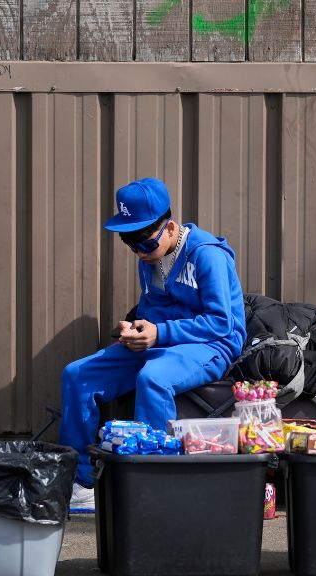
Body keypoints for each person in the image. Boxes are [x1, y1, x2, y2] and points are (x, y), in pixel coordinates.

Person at [59, 178, 246, 511]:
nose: (139, 252)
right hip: (163, 341)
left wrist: (159, 333)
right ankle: (82, 483)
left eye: (144, 243)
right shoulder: (149, 257)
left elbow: (222, 323)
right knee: (77, 374)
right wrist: (134, 329)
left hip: (212, 344)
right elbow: (151, 311)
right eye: (129, 243)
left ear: (171, 227)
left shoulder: (207, 255)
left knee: (154, 378)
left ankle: (151, 484)